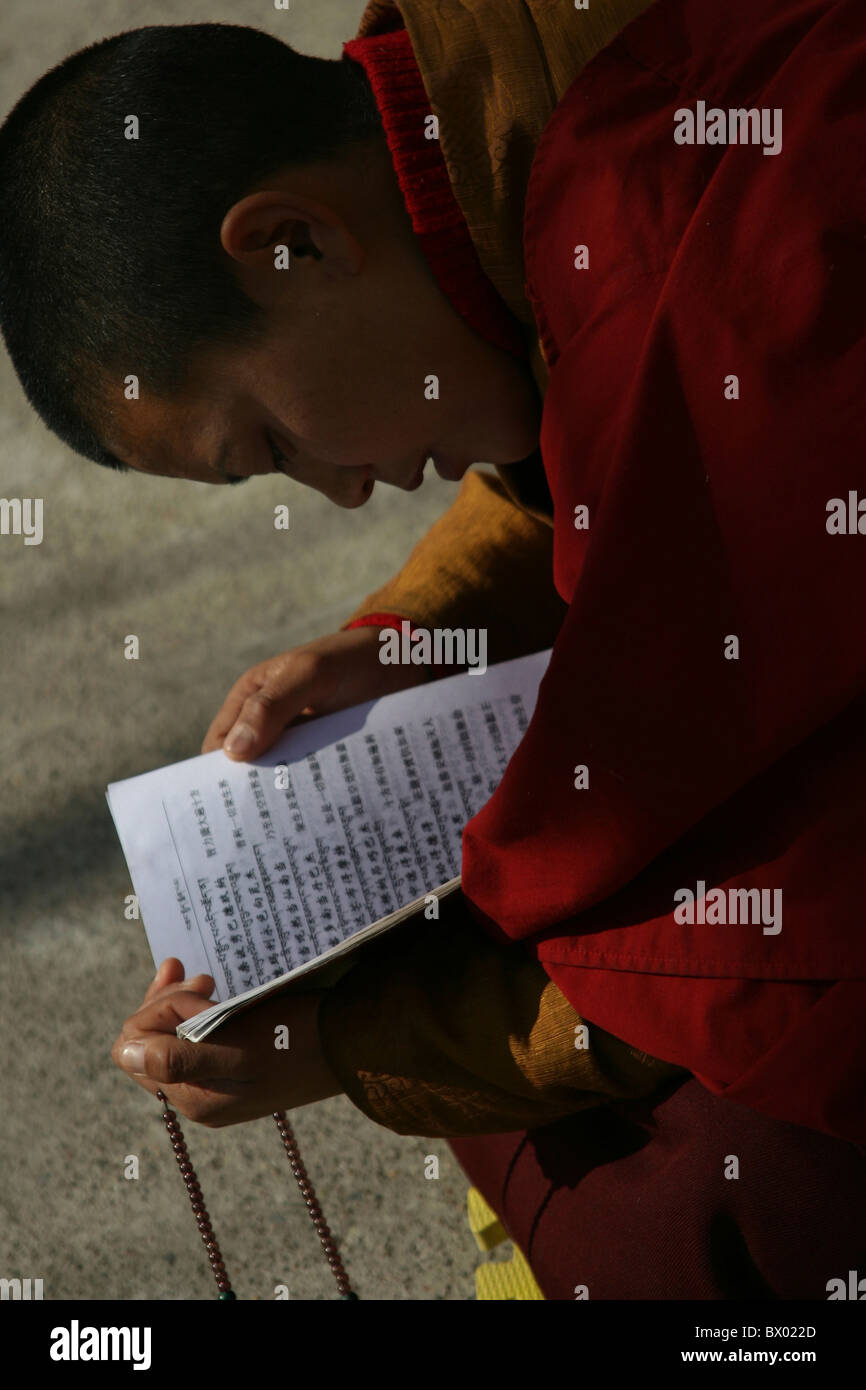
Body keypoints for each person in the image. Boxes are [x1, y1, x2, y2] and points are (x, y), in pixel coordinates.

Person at [1, 0, 864, 1299]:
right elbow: (596, 448)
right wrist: (414, 633)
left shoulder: (716, 250)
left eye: (271, 445)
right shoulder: (510, 88)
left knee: (717, 1189)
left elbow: (747, 920)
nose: (341, 495)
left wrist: (347, 1041)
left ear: (290, 243)